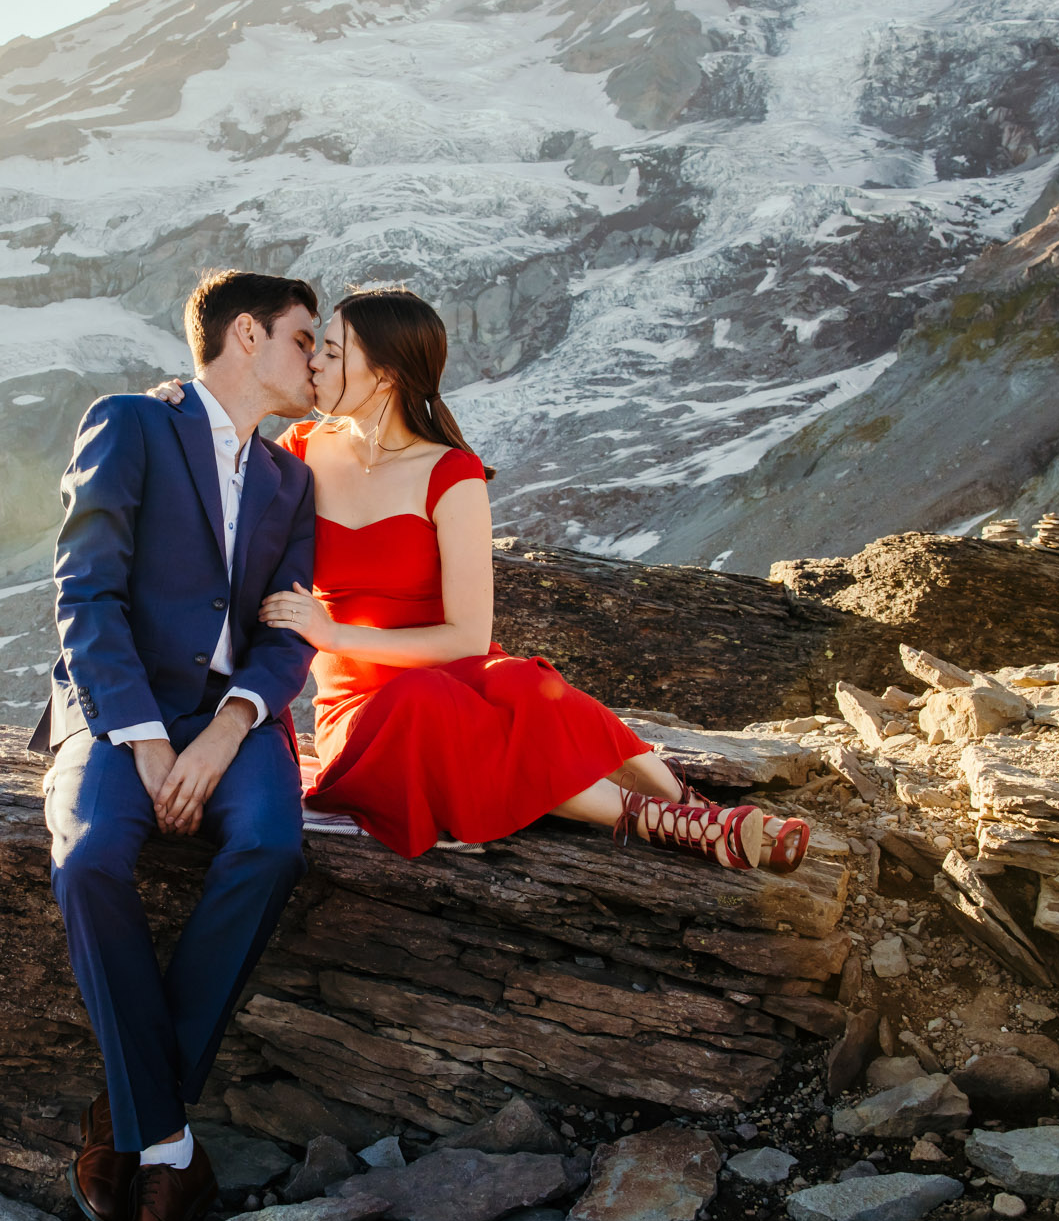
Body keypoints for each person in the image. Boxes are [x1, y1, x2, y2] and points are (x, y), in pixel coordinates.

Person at [169, 287, 811, 870]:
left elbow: (467, 640)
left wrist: (332, 632)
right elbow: (219, 458)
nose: (313, 364)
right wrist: (171, 404)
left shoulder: (452, 473)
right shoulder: (301, 452)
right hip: (365, 712)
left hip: (452, 672)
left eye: (331, 354)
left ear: (385, 374)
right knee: (424, 703)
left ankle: (688, 807)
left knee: (524, 683)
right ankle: (664, 821)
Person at [33, 269, 322, 1221]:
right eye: (302, 339)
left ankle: (126, 1114)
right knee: (94, 861)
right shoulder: (130, 424)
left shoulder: (293, 481)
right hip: (115, 708)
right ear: (245, 336)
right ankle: (169, 1156)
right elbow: (83, 594)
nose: (316, 359)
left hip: (236, 719)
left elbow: (289, 639)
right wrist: (150, 740)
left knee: (272, 846)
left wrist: (230, 727)